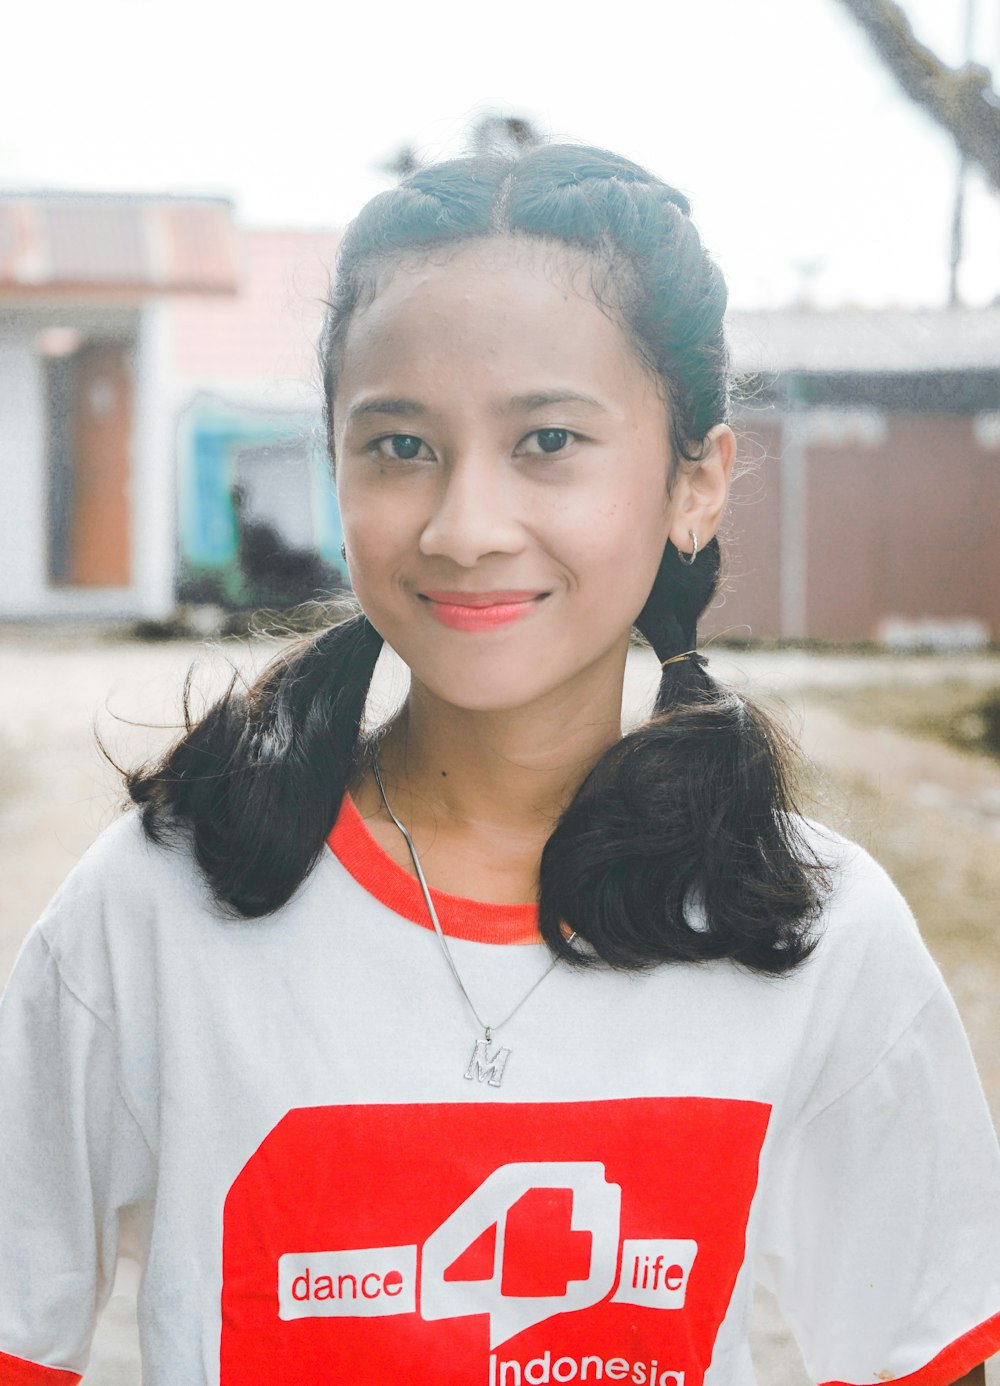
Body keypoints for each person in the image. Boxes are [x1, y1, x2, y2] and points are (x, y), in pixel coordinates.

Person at [1, 144, 998, 1386]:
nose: (464, 526)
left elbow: (925, 1351)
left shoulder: (813, 931)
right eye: (400, 447)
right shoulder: (155, 908)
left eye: (547, 441)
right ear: (334, 465)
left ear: (698, 481)